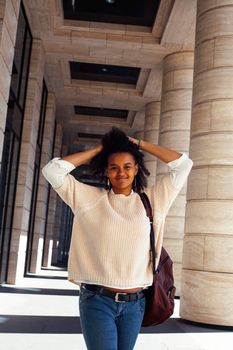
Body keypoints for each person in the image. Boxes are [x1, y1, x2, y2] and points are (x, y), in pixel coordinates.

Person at [42, 127, 193, 350]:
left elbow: (183, 164)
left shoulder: (153, 200)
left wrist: (138, 144)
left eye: (127, 166)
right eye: (113, 167)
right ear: (106, 170)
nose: (121, 172)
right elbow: (52, 171)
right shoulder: (89, 199)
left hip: (136, 304)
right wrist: (102, 149)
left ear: (137, 168)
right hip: (97, 301)